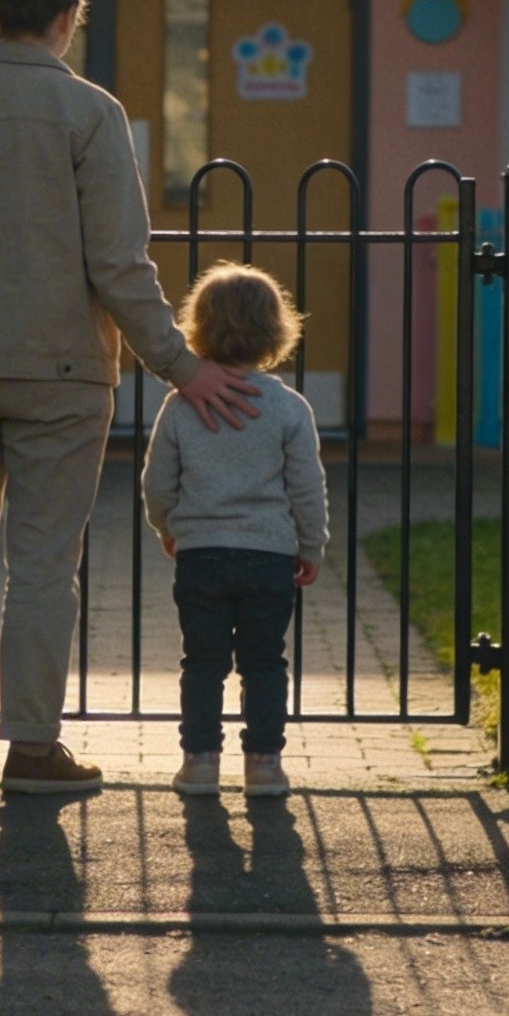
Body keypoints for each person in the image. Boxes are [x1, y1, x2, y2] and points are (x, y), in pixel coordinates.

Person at [0, 0, 263, 794]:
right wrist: (179, 365)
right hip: (61, 371)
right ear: (68, 17)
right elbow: (119, 262)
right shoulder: (89, 113)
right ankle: (32, 747)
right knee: (44, 563)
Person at [139, 264, 327, 799]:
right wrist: (310, 545)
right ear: (276, 330)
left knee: (202, 663)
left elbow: (157, 481)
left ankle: (199, 762)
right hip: (269, 557)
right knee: (265, 661)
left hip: (201, 556)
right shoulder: (289, 407)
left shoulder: (181, 405)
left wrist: (167, 526)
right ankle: (264, 765)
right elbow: (306, 487)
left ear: (198, 327)